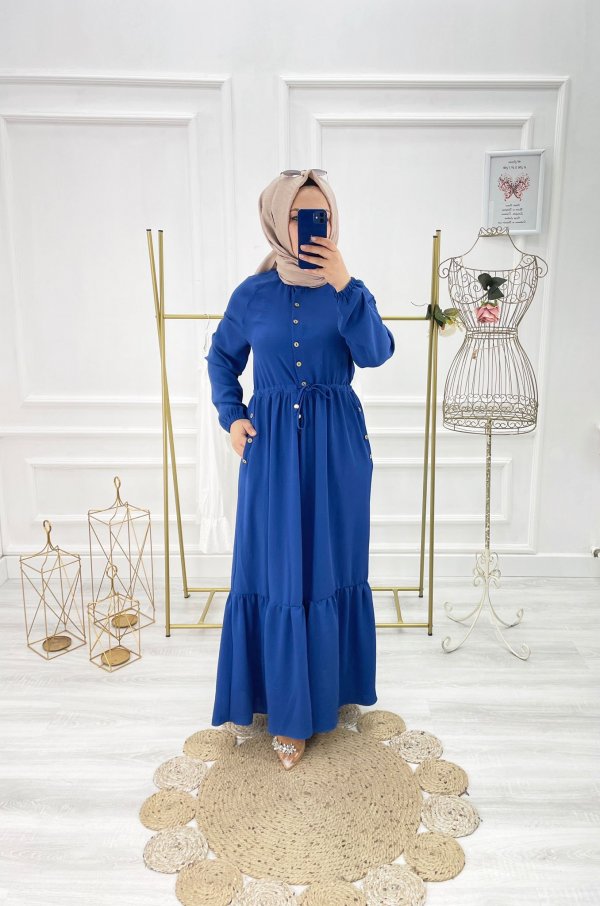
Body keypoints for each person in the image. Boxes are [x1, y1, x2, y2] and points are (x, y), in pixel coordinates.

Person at [205, 168, 395, 769]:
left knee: (332, 563)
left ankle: (332, 689)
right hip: (271, 451)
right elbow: (220, 357)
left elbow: (376, 353)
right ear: (275, 220)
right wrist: (232, 416)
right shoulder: (251, 294)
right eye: (297, 216)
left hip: (338, 451)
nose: (312, 227)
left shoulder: (348, 290)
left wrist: (345, 283)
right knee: (276, 566)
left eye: (321, 216)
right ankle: (286, 711)